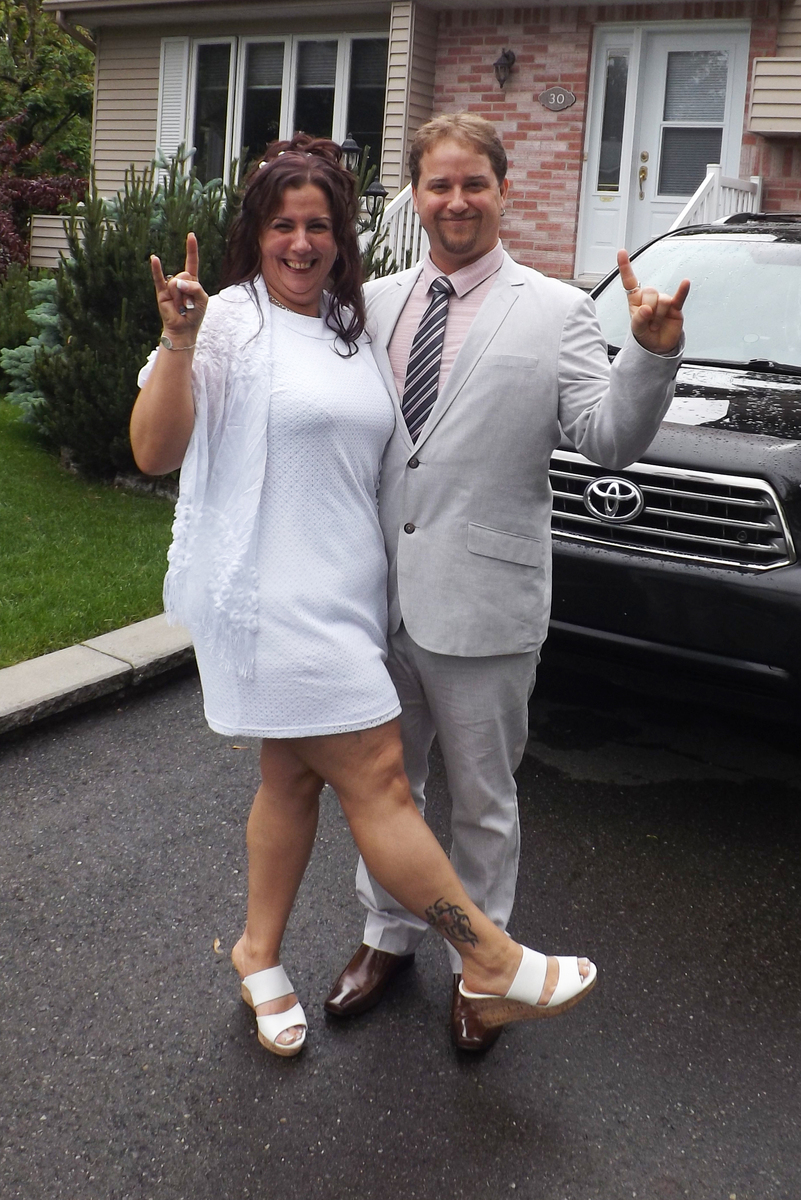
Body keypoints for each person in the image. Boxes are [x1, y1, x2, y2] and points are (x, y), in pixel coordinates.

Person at [129, 134, 598, 1059]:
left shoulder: (353, 325)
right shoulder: (228, 321)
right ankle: (492, 960)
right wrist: (178, 341)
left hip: (352, 595)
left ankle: (258, 954)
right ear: (255, 234)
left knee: (290, 777)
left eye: (318, 227)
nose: (301, 244)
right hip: (276, 601)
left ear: (342, 238)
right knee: (381, 778)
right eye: (281, 226)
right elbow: (153, 450)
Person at [325, 114, 689, 1051]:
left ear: (502, 190)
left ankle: (482, 970)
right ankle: (387, 933)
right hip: (373, 599)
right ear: (415, 195)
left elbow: (607, 440)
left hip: (484, 601)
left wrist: (650, 355)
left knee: (482, 800)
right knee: (386, 786)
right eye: (438, 184)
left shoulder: (556, 309)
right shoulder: (371, 303)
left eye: (473, 184)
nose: (456, 201)